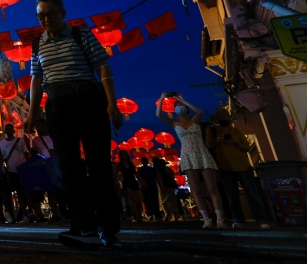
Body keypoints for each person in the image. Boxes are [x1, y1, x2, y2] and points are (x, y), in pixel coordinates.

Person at [25, 0, 123, 249]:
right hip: (57, 106)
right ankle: (83, 226)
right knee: (69, 167)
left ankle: (109, 229)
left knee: (98, 164)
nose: (46, 19)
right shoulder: (37, 44)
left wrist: (111, 102)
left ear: (63, 13)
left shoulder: (81, 34)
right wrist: (33, 111)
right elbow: (36, 79)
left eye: (51, 14)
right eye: (41, 15)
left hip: (88, 100)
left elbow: (102, 66)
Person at [157, 91, 225, 229]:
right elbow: (158, 115)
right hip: (188, 155)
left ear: (187, 108)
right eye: (176, 105)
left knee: (212, 188)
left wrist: (183, 100)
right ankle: (206, 219)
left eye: (181, 105)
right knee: (195, 190)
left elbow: (199, 111)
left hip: (202, 152)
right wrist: (162, 99)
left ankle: (220, 219)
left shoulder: (195, 119)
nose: (179, 106)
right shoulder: (174, 123)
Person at [205, 108, 271, 230]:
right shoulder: (213, 131)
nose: (224, 121)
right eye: (221, 119)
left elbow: (246, 148)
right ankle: (238, 220)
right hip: (224, 166)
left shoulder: (236, 131)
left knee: (251, 193)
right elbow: (208, 146)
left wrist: (234, 143)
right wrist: (218, 140)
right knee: (232, 194)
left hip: (243, 165)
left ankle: (261, 219)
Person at [30, 120, 64, 223]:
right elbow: (33, 154)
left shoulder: (54, 137)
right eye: (37, 127)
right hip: (45, 166)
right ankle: (56, 214)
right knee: (51, 191)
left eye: (41, 126)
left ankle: (64, 212)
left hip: (57, 165)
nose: (39, 129)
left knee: (61, 190)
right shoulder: (35, 140)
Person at [0, 123, 29, 223]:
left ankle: (24, 213)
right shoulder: (2, 143)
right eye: (6, 129)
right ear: (5, 131)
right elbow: (1, 157)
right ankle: (18, 214)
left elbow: (25, 153)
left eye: (10, 129)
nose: (8, 131)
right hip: (11, 170)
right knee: (15, 192)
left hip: (22, 169)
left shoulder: (20, 141)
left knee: (22, 192)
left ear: (13, 131)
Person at [115, 151, 143, 223]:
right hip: (127, 183)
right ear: (120, 157)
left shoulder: (131, 164)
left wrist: (141, 180)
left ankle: (137, 213)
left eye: (125, 155)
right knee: (133, 199)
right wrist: (115, 182)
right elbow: (115, 174)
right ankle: (137, 216)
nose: (124, 157)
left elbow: (135, 173)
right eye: (122, 155)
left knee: (139, 200)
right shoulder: (119, 164)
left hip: (134, 182)